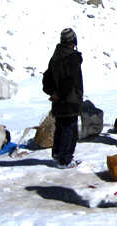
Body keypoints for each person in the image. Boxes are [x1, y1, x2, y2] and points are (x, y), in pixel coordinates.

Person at [42, 27, 84, 169]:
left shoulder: (55, 57)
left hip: (58, 100)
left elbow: (47, 77)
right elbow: (71, 79)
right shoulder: (72, 57)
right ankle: (65, 160)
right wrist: (60, 93)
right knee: (69, 129)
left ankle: (57, 155)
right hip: (70, 98)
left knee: (60, 127)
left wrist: (53, 93)